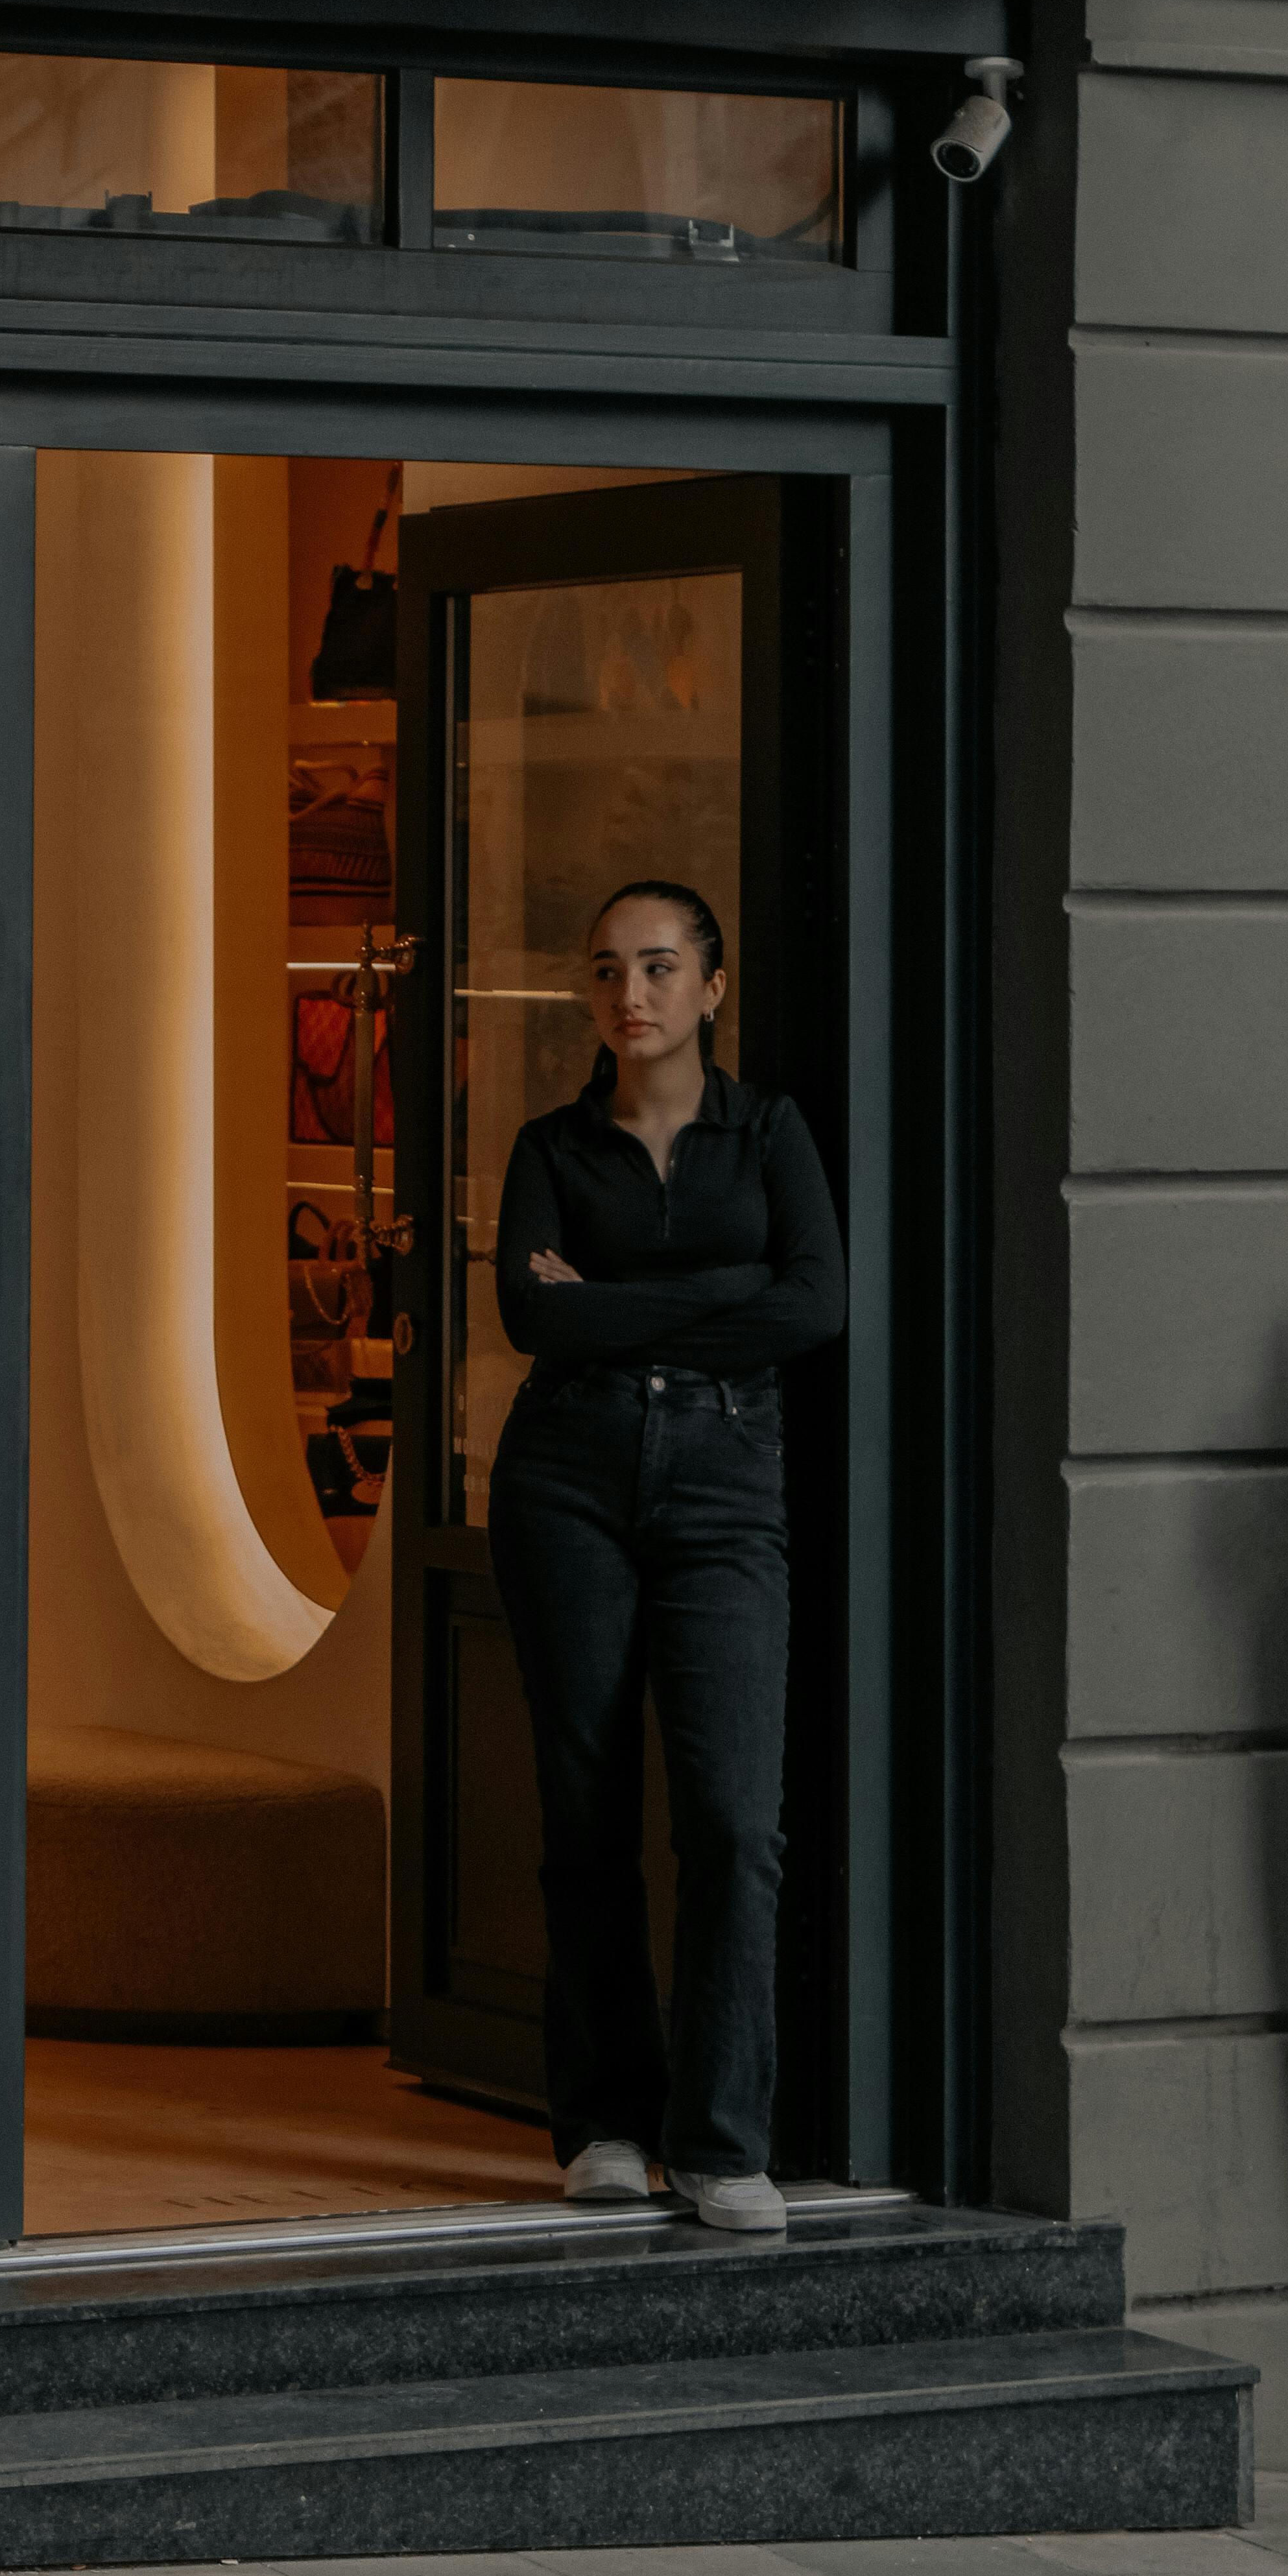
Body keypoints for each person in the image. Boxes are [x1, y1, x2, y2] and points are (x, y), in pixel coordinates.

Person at [487, 879, 844, 2236]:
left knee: (730, 1819)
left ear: (709, 987)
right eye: (604, 973)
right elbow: (530, 1316)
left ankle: (717, 2140)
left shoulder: (770, 1136)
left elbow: (814, 1303)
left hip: (721, 1486)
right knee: (583, 1818)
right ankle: (602, 2123)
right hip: (565, 1481)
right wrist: (719, 1303)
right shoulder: (548, 1143)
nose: (626, 997)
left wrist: (621, 1309)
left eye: (655, 968)